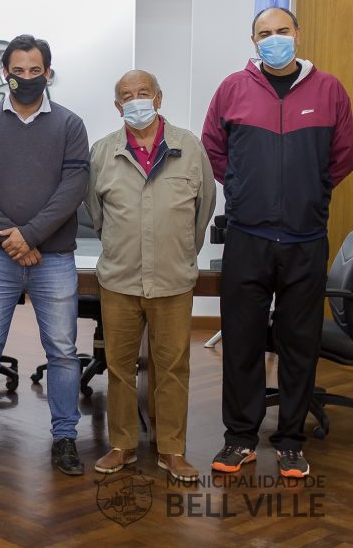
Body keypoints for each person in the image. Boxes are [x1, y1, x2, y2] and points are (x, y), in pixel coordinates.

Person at [202, 7, 353, 479]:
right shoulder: (232, 88)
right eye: (264, 34)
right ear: (253, 41)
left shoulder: (329, 89)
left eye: (282, 31)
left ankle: (291, 440)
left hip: (305, 239)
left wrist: (306, 193)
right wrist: (248, 190)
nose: (274, 39)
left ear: (298, 34)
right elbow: (214, 148)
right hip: (248, 237)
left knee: (299, 344)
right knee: (242, 342)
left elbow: (344, 156)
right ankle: (240, 438)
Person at [0, 34, 89, 475]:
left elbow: (73, 188)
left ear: (48, 73)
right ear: (5, 74)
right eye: (19, 71)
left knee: (64, 352)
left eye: (36, 71)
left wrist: (29, 237)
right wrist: (11, 240)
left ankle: (65, 439)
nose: (28, 78)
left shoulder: (70, 125)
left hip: (53, 259)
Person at [85, 70, 215, 483]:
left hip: (173, 280)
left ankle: (171, 450)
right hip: (120, 279)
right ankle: (122, 445)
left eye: (143, 93)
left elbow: (204, 208)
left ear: (159, 99)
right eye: (127, 95)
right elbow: (96, 214)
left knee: (172, 366)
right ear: (117, 105)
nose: (136, 100)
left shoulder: (189, 147)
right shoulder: (103, 152)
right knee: (120, 365)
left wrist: (177, 253)